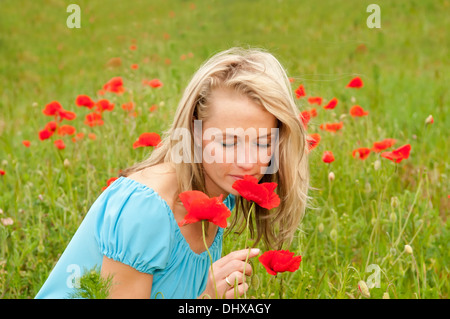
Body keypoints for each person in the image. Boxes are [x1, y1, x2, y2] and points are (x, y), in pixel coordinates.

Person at [35, 47, 310, 299]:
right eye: (228, 142)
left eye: (262, 143)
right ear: (194, 132)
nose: (248, 162)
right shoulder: (146, 209)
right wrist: (206, 298)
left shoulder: (222, 193)